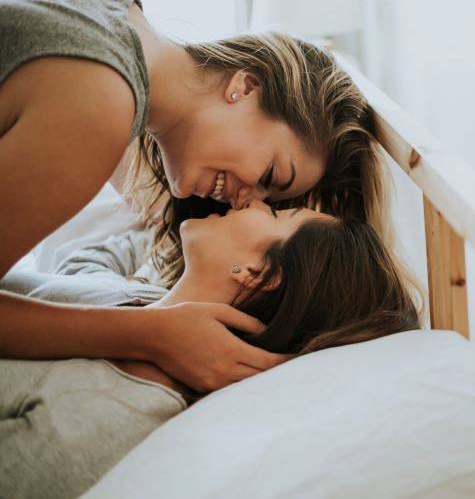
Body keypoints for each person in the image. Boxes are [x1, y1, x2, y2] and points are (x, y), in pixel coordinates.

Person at [0, 0, 391, 391]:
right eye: (270, 175)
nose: (247, 202)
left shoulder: (115, 14)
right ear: (246, 86)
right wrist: (152, 333)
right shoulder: (98, 106)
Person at [0, 200, 420, 499]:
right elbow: (80, 269)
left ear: (260, 274)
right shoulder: (138, 294)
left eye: (276, 213)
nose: (254, 201)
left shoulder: (101, 419)